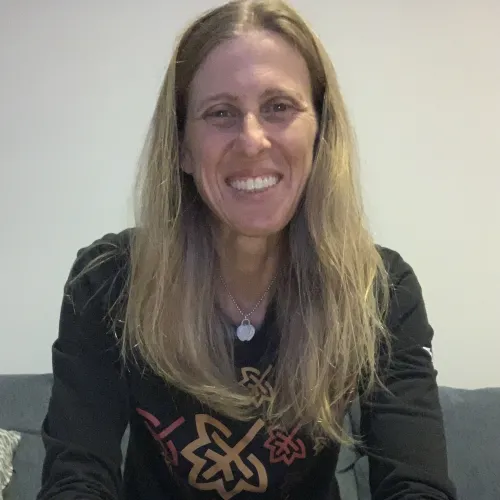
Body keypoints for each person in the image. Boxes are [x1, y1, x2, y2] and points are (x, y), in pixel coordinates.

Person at [37, 1, 457, 499]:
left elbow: (416, 485)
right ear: (183, 148)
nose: (252, 139)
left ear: (320, 132)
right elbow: (77, 479)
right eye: (220, 113)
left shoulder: (381, 288)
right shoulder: (107, 281)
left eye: (279, 106)